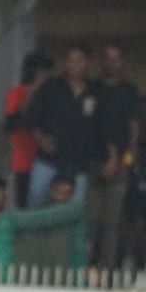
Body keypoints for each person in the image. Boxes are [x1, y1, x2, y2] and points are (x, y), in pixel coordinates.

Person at [26, 44, 102, 208]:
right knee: (36, 198)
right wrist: (39, 139)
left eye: (79, 60)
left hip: (79, 161)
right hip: (49, 159)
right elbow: (32, 116)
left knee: (75, 209)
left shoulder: (96, 91)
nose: (74, 65)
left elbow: (103, 126)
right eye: (70, 60)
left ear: (88, 63)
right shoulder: (51, 87)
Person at [90, 45, 139, 269]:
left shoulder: (129, 91)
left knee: (113, 224)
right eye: (107, 58)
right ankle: (87, 268)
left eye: (115, 59)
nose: (111, 63)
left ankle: (107, 270)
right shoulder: (93, 89)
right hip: (93, 163)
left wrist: (126, 161)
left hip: (120, 167)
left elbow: (134, 129)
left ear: (122, 62)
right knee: (91, 220)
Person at [5, 52, 54, 208]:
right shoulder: (16, 94)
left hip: (48, 159)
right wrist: (32, 92)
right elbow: (13, 122)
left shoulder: (51, 95)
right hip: (23, 160)